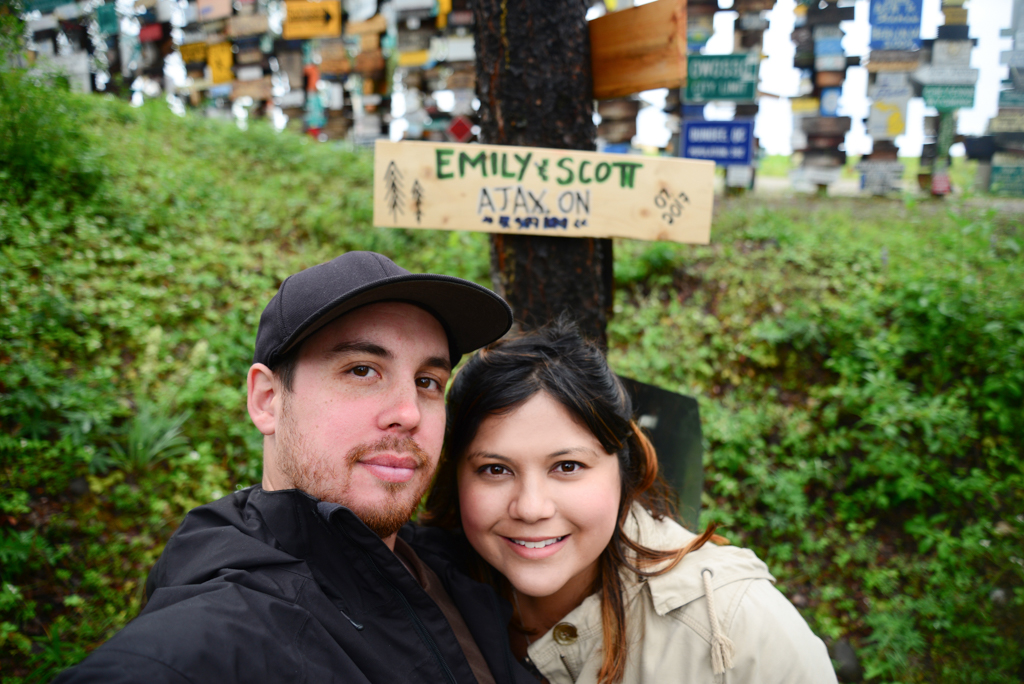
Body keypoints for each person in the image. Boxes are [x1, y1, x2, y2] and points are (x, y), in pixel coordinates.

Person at [55, 251, 536, 684]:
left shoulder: (462, 567)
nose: (408, 412)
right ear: (267, 400)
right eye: (362, 370)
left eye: (428, 381)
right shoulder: (230, 622)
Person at [422, 321, 839, 684]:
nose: (531, 508)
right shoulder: (417, 590)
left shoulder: (737, 625)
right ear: (454, 475)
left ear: (623, 469)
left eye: (567, 466)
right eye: (496, 469)